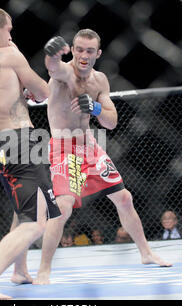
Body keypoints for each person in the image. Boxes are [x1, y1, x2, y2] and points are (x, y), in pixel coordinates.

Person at [29, 29, 172, 284]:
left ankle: (146, 253)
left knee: (124, 198)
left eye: (89, 51)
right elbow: (52, 67)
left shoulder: (100, 80)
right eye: (80, 49)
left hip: (90, 147)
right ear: (72, 50)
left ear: (99, 53)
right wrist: (51, 52)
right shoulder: (63, 74)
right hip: (64, 149)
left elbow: (112, 121)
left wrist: (94, 107)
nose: (84, 55)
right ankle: (44, 270)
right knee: (62, 208)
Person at [0, 6, 61, 299]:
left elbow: (2, 93)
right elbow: (43, 92)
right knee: (36, 223)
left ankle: (19, 271)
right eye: (8, 29)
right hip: (20, 141)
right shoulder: (10, 55)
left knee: (25, 209)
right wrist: (30, 89)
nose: (10, 35)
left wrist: (20, 90)